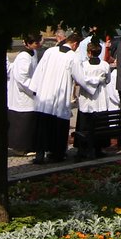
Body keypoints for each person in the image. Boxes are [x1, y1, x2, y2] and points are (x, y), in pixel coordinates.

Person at [31, 34, 78, 164]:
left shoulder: (50, 51)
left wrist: (35, 88)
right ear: (75, 44)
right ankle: (57, 154)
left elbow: (39, 69)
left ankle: (39, 154)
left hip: (45, 94)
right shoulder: (72, 56)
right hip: (59, 97)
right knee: (58, 126)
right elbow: (79, 75)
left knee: (43, 127)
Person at [6, 39, 40, 155]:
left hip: (31, 92)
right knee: (22, 123)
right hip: (23, 93)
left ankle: (29, 146)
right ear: (27, 43)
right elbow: (22, 78)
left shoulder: (33, 53)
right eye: (36, 43)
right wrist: (33, 89)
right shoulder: (23, 57)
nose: (38, 45)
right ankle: (20, 148)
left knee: (29, 121)